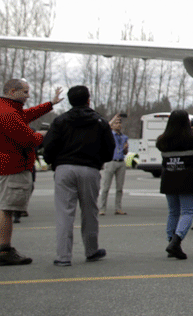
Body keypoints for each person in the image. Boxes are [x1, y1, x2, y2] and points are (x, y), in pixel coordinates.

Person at [41, 85, 113, 266]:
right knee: (90, 211)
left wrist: (53, 162)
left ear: (70, 100)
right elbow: (109, 150)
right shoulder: (100, 122)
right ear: (88, 100)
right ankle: (91, 249)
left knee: (64, 213)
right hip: (89, 169)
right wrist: (98, 161)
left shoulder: (60, 121)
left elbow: (49, 146)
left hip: (64, 168)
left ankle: (63, 256)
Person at [0, 79, 60, 266]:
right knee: (7, 209)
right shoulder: (8, 114)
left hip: (8, 165)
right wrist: (41, 136)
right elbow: (28, 138)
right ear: (12, 91)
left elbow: (26, 115)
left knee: (5, 208)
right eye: (25, 92)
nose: (28, 96)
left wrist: (50, 104)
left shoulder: (8, 109)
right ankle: (4, 249)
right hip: (13, 168)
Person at [158, 110, 193, 260]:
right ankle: (176, 241)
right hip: (187, 179)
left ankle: (171, 240)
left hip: (169, 178)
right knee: (188, 211)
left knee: (173, 212)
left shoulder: (162, 141)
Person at [98, 114, 130, 215]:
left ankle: (118, 208)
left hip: (120, 162)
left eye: (119, 123)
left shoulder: (124, 137)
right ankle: (102, 208)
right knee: (106, 187)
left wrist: (126, 148)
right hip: (111, 161)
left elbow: (125, 152)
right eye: (116, 123)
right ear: (112, 125)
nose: (118, 125)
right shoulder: (109, 134)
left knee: (119, 188)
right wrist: (112, 120)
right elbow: (105, 128)